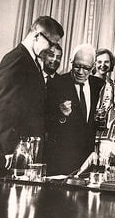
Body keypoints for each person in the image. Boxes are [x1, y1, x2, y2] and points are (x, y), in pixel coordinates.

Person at [0, 16, 64, 171]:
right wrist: (9, 149)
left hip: (21, 151)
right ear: (37, 35)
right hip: (6, 154)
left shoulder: (31, 60)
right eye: (51, 43)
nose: (51, 49)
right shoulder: (16, 59)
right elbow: (3, 106)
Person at [44, 44, 105, 175]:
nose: (81, 72)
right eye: (77, 66)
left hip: (89, 162)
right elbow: (45, 122)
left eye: (86, 68)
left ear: (93, 66)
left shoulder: (100, 86)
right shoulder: (56, 84)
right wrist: (61, 115)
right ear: (71, 62)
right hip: (62, 161)